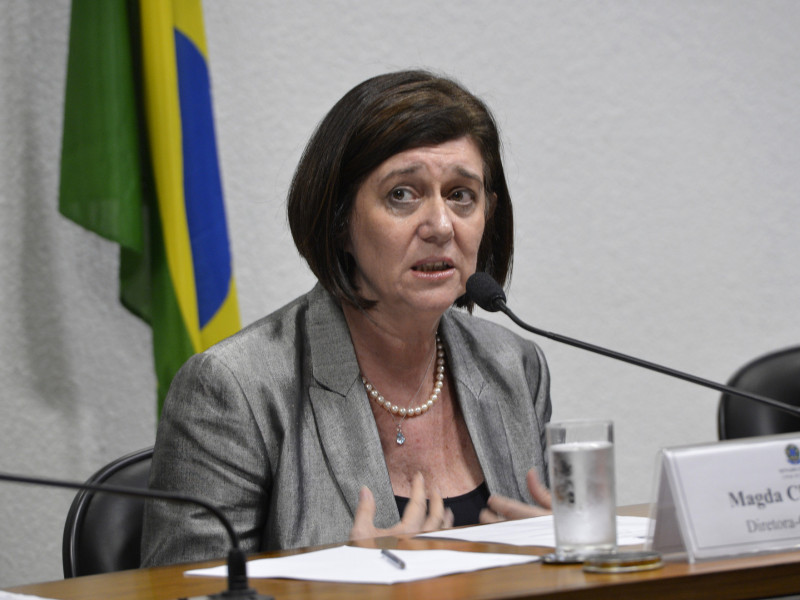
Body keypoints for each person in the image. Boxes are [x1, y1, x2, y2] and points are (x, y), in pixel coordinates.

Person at [141, 69, 552, 567]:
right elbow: (186, 593)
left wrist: (565, 560)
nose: (441, 226)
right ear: (340, 220)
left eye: (461, 195)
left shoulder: (514, 367)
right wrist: (351, 582)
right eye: (402, 194)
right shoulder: (236, 390)